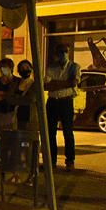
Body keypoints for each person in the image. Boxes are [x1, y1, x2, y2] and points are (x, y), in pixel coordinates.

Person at [43, 43, 79, 171]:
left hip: (66, 101)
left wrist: (55, 83)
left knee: (68, 132)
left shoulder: (74, 66)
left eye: (65, 51)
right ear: (56, 54)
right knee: (50, 133)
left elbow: (73, 82)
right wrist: (65, 83)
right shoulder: (51, 67)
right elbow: (46, 86)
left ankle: (70, 161)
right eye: (60, 51)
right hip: (52, 101)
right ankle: (51, 161)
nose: (63, 54)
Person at [0, 57, 19, 165]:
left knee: (11, 136)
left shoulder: (16, 81)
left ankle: (10, 159)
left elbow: (16, 97)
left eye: (6, 67)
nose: (3, 70)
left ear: (11, 68)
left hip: (11, 111)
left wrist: (1, 94)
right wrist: (7, 95)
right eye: (1, 67)